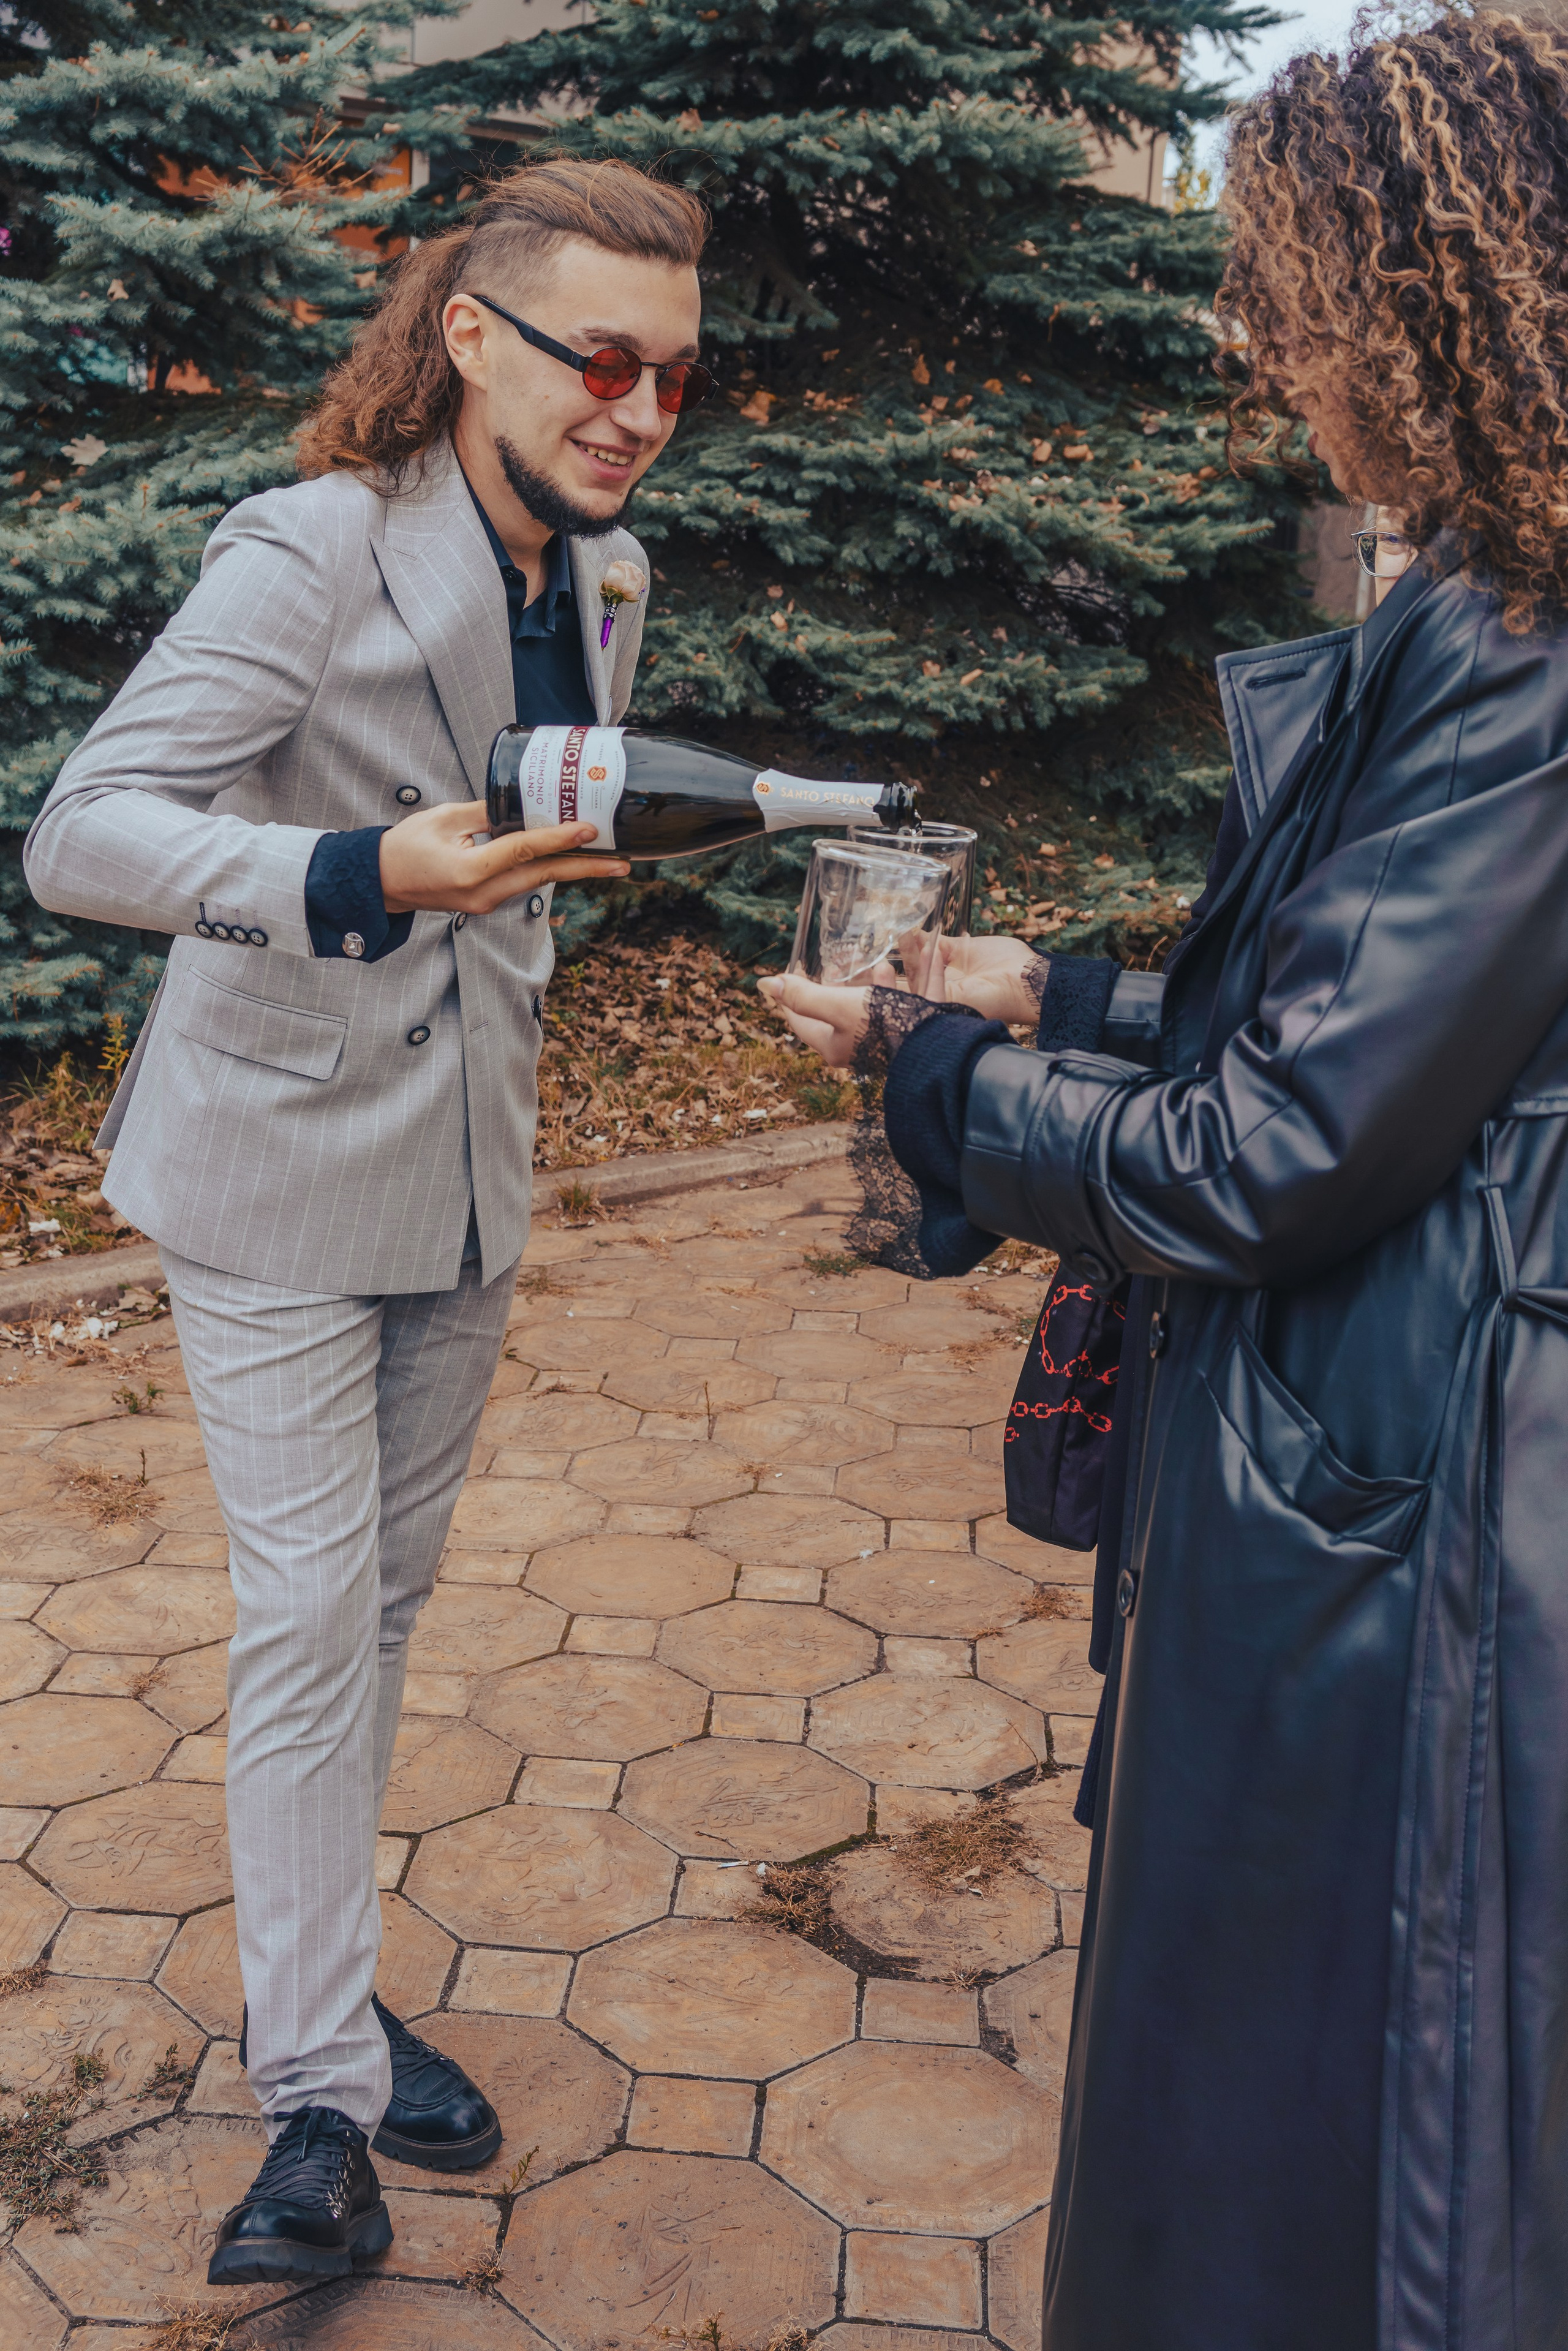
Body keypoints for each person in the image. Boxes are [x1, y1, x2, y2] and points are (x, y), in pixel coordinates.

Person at [763, 15, 1568, 2345]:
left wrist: (934, 1086)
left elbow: (1281, 1158)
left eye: (1296, 282)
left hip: (1410, 1532)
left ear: (1434, 293)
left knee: (1317, 2159)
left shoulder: (1525, 659)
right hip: (1369, 1468)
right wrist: (1065, 998)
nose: (1263, 340)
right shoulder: (1472, 619)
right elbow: (1370, 1044)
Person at [23, 155, 711, 2285]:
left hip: (467, 1170)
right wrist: (356, 877)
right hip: (269, 1168)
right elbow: (85, 836)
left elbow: (519, 828)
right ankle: (314, 2098)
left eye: (674, 374)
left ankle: (326, 1983)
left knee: (377, 1620)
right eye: (600, 358)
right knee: (311, 1620)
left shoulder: (605, 578)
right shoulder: (319, 545)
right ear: (475, 335)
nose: (635, 407)